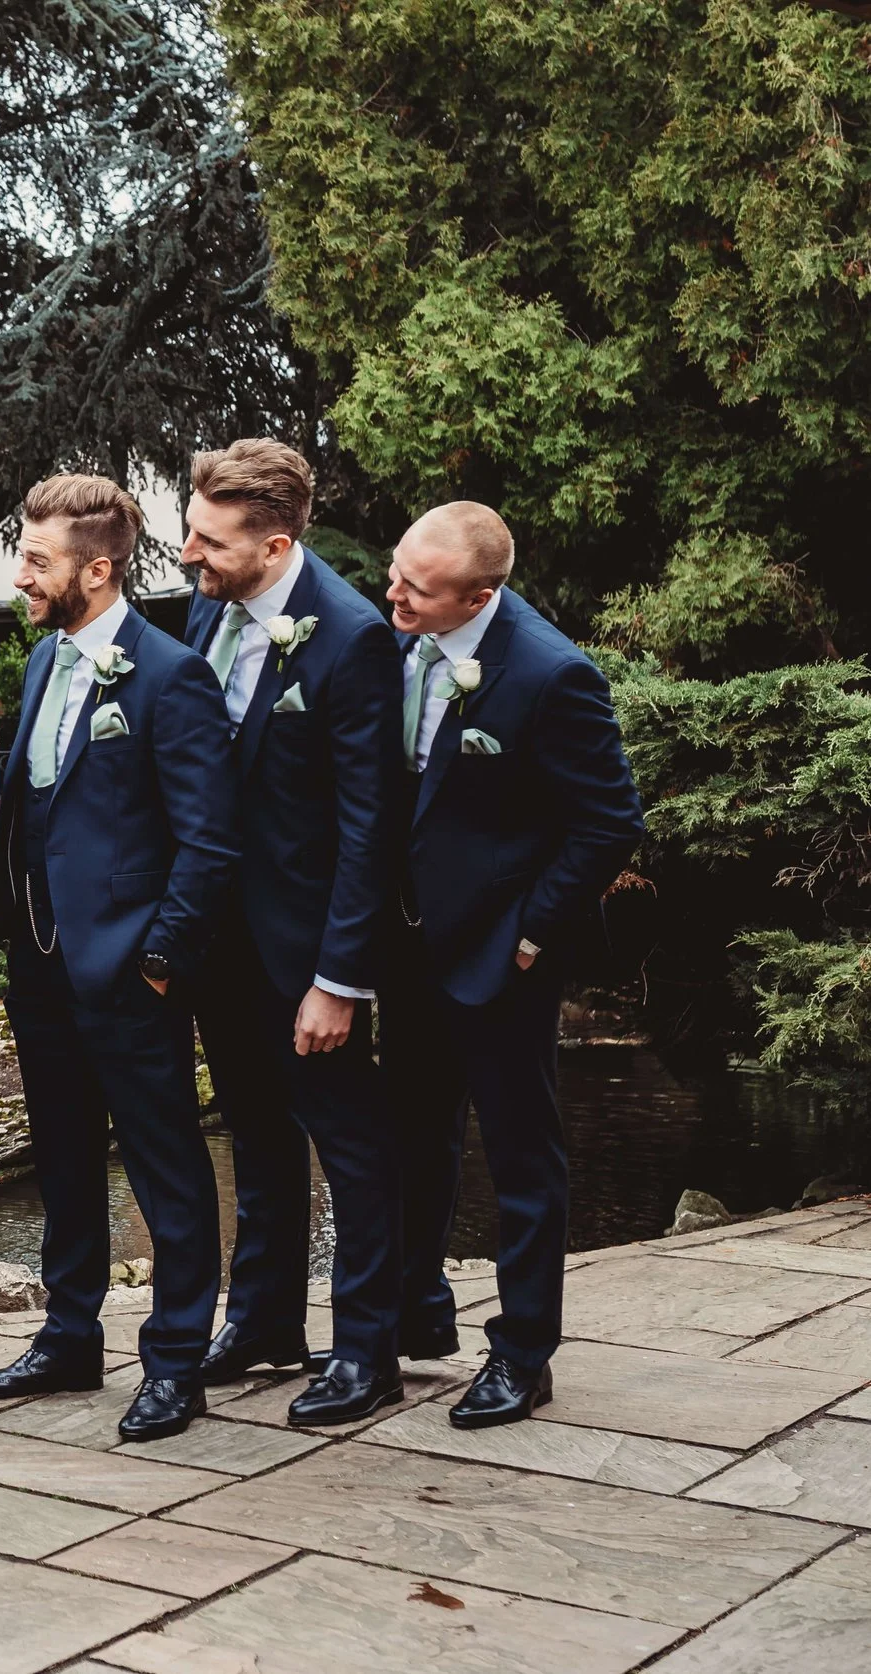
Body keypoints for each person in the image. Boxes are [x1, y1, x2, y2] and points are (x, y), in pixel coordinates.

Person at [0, 475, 240, 1443]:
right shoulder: (44, 664)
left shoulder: (169, 676)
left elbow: (208, 841)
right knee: (64, 1157)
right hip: (38, 965)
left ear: (98, 568)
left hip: (129, 970)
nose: (20, 576)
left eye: (35, 561)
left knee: (164, 1164)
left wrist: (159, 957)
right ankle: (69, 1334)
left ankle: (173, 1362)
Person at [385, 501, 643, 1428]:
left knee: (522, 1155)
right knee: (414, 1137)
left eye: (418, 586)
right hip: (408, 947)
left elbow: (610, 820)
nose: (396, 594)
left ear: (482, 594)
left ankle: (524, 1352)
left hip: (504, 954)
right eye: (397, 572)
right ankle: (413, 1318)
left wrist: (532, 932)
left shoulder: (551, 674)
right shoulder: (404, 638)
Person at [176, 442, 407, 1426]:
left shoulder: (350, 639)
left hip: (306, 949)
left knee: (351, 1149)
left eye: (208, 540)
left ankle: (366, 1353)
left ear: (274, 545)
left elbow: (370, 824)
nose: (188, 554)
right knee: (255, 1133)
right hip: (222, 943)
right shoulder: (206, 610)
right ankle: (266, 1318)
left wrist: (339, 977)